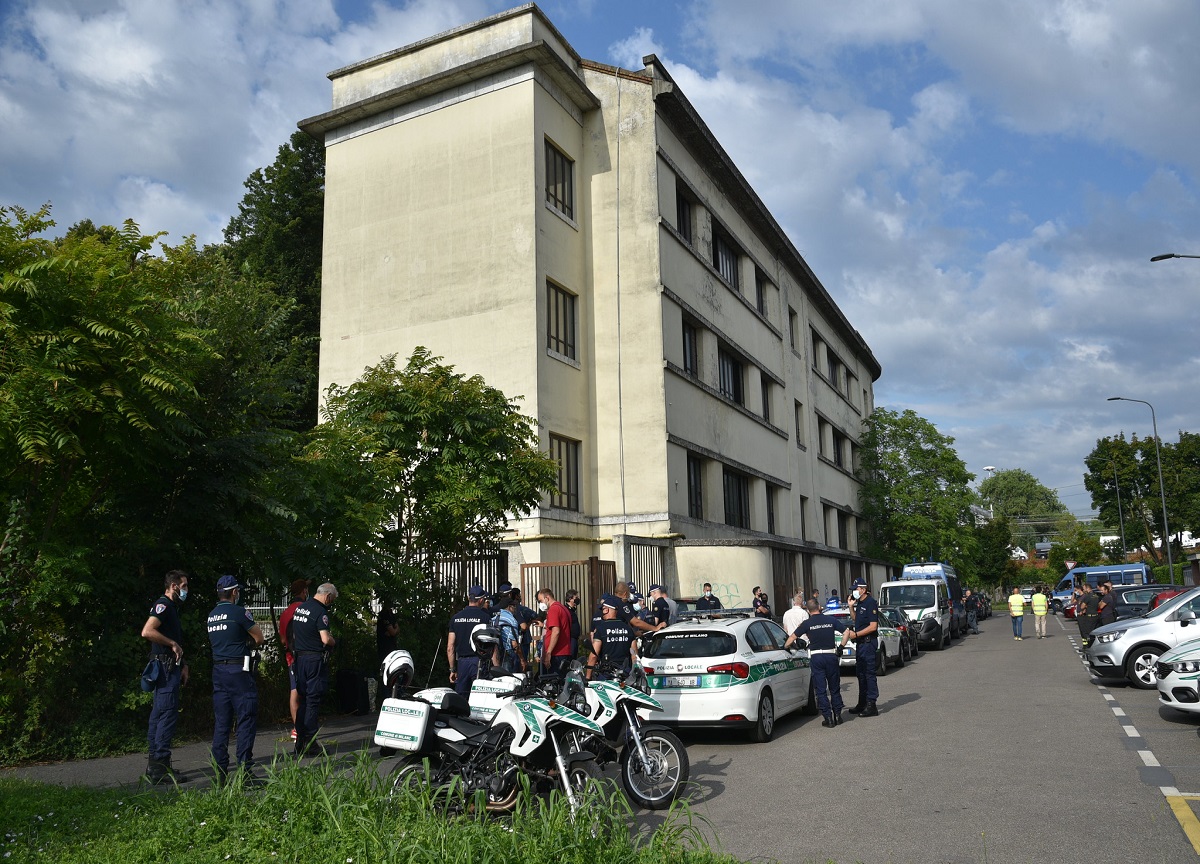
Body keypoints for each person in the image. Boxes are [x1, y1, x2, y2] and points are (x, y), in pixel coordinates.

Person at [206, 575, 265, 781]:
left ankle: (220, 773)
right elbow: (259, 637)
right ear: (233, 592)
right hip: (238, 671)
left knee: (222, 722)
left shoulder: (212, 615)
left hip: (218, 672)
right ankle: (244, 772)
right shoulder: (239, 613)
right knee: (246, 717)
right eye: (237, 591)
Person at [140, 570, 190, 784]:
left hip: (170, 666)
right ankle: (158, 767)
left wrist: (184, 663)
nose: (187, 590)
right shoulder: (164, 605)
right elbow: (147, 631)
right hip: (165, 668)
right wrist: (171, 644)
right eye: (185, 585)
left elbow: (174, 638)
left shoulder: (171, 608)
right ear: (174, 586)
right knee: (166, 715)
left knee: (160, 714)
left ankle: (158, 765)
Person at [288, 582, 338, 756]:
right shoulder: (320, 612)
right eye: (332, 600)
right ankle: (310, 742)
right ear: (328, 596)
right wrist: (333, 641)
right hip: (313, 660)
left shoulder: (301, 609)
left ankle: (300, 741)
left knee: (302, 699)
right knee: (312, 700)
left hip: (299, 659)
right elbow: (325, 639)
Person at [784, 599, 844, 727]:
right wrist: (841, 647)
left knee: (821, 690)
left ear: (808, 610)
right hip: (831, 655)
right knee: (834, 687)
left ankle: (828, 718)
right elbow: (847, 632)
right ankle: (838, 715)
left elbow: (792, 638)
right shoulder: (830, 620)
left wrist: (785, 647)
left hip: (816, 658)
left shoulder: (807, 623)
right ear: (819, 607)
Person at [843, 577, 879, 717]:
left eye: (856, 589)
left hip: (868, 643)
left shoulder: (870, 603)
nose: (854, 592)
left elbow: (873, 626)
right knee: (861, 674)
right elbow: (855, 619)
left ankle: (872, 704)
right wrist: (851, 606)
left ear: (863, 589)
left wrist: (856, 634)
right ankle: (862, 702)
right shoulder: (860, 603)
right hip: (861, 644)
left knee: (869, 674)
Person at [447, 585, 492, 695]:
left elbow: (450, 647)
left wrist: (452, 669)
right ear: (481, 600)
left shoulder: (456, 618)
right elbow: (492, 645)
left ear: (468, 598)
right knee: (481, 698)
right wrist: (497, 668)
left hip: (462, 663)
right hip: (479, 662)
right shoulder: (485, 618)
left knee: (461, 700)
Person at [279, 579, 309, 741]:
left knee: (294, 691)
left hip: (291, 657)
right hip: (307, 656)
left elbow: (283, 640)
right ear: (304, 591)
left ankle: (297, 728)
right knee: (308, 693)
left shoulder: (285, 613)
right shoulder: (306, 609)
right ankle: (306, 728)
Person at [586, 595, 636, 680]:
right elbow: (634, 656)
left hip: (607, 674)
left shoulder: (601, 629)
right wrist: (634, 675)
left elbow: (594, 655)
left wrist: (587, 677)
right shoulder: (628, 629)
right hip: (625, 674)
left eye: (602, 609)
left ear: (606, 609)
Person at [537, 588, 574, 677]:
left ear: (547, 598)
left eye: (541, 601)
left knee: (553, 683)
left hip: (556, 654)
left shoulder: (554, 609)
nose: (540, 604)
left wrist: (548, 652)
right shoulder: (563, 608)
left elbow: (556, 631)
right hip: (563, 652)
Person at [492, 591, 526, 673]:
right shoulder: (511, 620)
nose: (515, 608)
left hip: (494, 654)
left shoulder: (494, 619)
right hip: (507, 655)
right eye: (514, 606)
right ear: (509, 607)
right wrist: (522, 659)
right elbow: (514, 644)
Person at [564, 589, 582, 656]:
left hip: (574, 639)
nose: (578, 599)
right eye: (576, 598)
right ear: (570, 599)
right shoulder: (566, 610)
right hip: (570, 640)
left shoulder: (572, 610)